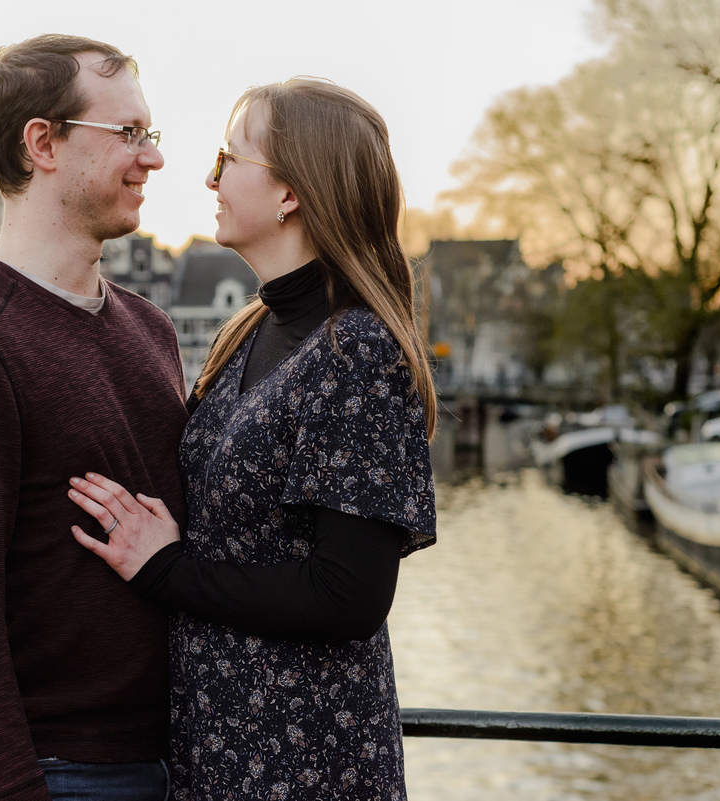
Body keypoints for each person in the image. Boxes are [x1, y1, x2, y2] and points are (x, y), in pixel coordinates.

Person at [68, 78, 438, 799]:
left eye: (228, 157)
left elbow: (349, 596)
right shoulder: (251, 329)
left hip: (301, 761)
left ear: (289, 193)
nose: (209, 176)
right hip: (218, 742)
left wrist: (167, 569)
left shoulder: (355, 349)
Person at [0, 34, 183, 801]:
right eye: (128, 133)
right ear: (42, 143)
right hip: (69, 776)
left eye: (150, 134)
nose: (151, 156)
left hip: (188, 760)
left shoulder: (151, 329)